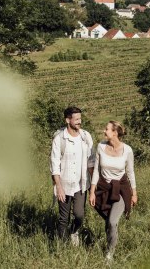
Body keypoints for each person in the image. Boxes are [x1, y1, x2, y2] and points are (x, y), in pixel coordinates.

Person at [89, 120, 137, 261]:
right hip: (103, 189)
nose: (104, 131)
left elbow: (130, 172)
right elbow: (97, 171)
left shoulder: (127, 150)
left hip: (121, 190)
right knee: (108, 221)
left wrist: (134, 193)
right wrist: (92, 191)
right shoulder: (101, 147)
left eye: (107, 129)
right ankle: (111, 241)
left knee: (112, 221)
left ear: (115, 133)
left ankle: (109, 254)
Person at [50, 106, 95, 245]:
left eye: (80, 119)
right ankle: (62, 247)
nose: (79, 122)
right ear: (67, 120)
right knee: (63, 218)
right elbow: (54, 165)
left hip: (81, 185)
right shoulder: (59, 139)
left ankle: (74, 231)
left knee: (79, 215)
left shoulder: (85, 137)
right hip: (63, 185)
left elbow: (91, 162)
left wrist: (93, 186)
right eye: (76, 119)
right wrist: (59, 187)